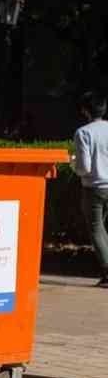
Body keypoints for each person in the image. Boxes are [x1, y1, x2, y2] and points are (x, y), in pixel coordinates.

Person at [73, 91, 108, 287]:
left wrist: (73, 165)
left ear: (85, 110)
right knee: (103, 229)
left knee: (96, 229)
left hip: (94, 187)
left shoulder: (83, 132)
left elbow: (84, 167)